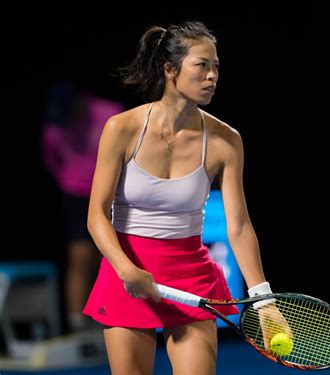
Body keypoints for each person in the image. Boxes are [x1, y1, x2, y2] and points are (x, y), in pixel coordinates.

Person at [82, 21, 289, 374]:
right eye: (202, 65)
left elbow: (238, 226)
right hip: (127, 270)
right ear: (170, 70)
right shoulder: (122, 128)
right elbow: (97, 215)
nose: (213, 76)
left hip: (190, 276)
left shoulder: (226, 141)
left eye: (216, 67)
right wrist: (125, 268)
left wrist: (263, 299)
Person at [41, 80, 125, 333]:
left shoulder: (111, 114)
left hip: (111, 192)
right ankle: (78, 323)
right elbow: (52, 160)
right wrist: (72, 181)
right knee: (80, 257)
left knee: (111, 256)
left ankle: (113, 315)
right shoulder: (56, 122)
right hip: (76, 196)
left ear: (83, 101)